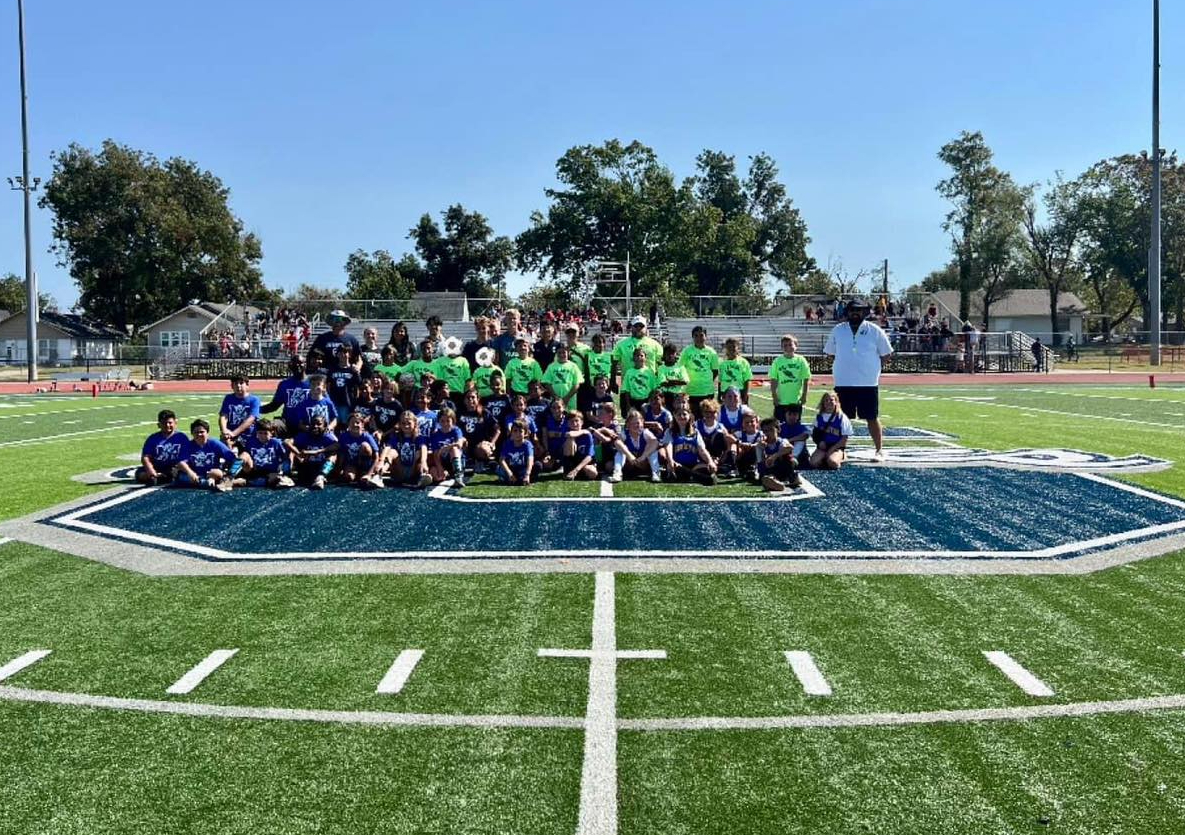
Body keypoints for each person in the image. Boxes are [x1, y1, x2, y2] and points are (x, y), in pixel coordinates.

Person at [823, 299, 893, 462]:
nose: (855, 313)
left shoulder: (874, 330)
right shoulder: (838, 330)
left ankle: (879, 450)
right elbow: (831, 353)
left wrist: (872, 367)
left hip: (868, 382)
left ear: (864, 313)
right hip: (843, 382)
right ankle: (839, 449)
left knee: (872, 417)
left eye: (859, 310)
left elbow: (887, 353)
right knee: (841, 418)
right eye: (852, 310)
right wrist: (846, 363)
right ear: (847, 312)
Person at [175, 418, 238, 491]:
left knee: (215, 477)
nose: (199, 434)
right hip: (196, 476)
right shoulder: (189, 445)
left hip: (213, 474)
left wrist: (224, 473)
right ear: (192, 433)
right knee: (181, 477)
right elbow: (181, 462)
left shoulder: (214, 443)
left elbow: (234, 459)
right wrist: (190, 473)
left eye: (202, 432)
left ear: (207, 433)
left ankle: (228, 481)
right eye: (196, 432)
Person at [662, 406, 716, 485]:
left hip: (694, 465)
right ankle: (698, 477)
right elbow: (668, 447)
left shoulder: (695, 432)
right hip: (677, 465)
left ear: (689, 415)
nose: (682, 417)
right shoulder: (670, 432)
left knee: (707, 468)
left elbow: (702, 450)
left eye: (684, 414)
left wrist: (710, 461)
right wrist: (670, 462)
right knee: (678, 470)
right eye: (679, 414)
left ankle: (691, 475)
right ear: (674, 416)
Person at [285, 413, 338, 490]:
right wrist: (298, 453)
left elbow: (338, 445)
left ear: (325, 426)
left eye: (319, 424)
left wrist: (317, 451)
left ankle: (321, 477)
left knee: (333, 454)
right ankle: (286, 475)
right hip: (307, 465)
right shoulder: (305, 435)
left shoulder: (328, 436)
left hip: (321, 466)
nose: (315, 426)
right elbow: (287, 442)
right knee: (291, 452)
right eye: (313, 424)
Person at [236, 419, 294, 489]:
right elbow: (247, 458)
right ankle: (229, 477)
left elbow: (285, 457)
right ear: (256, 433)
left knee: (275, 478)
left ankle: (247, 482)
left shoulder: (276, 443)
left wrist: (284, 472)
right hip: (255, 470)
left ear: (271, 433)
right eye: (260, 433)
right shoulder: (251, 442)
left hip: (270, 472)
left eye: (265, 433)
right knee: (244, 455)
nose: (263, 436)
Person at [259, 355, 309, 437]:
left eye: (300, 363)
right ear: (290, 365)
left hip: (306, 423)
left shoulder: (313, 383)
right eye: (294, 363)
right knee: (271, 426)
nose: (297, 366)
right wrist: (256, 410)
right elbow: (274, 405)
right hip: (286, 422)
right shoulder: (284, 384)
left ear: (305, 364)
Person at [382, 411, 432, 489]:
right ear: (399, 424)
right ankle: (379, 474)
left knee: (420, 453)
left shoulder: (419, 437)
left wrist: (423, 462)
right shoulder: (396, 436)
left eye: (409, 423)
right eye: (403, 423)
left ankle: (422, 476)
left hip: (414, 469)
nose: (406, 426)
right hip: (399, 470)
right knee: (392, 452)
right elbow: (387, 447)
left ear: (415, 423)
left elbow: (424, 448)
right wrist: (381, 461)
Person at [137, 409, 188, 485]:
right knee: (140, 473)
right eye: (164, 423)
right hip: (157, 467)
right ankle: (155, 476)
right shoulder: (153, 438)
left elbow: (187, 455)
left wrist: (178, 467)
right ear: (159, 425)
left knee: (181, 472)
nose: (167, 425)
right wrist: (151, 470)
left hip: (174, 467)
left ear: (175, 423)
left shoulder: (182, 437)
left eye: (170, 423)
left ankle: (163, 477)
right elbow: (145, 457)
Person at [610, 409, 662, 483]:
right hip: (630, 464)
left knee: (653, 452)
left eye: (638, 423)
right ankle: (617, 473)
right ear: (627, 425)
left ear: (642, 423)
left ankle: (656, 473)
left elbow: (655, 442)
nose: (636, 425)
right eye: (632, 423)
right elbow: (617, 442)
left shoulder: (645, 432)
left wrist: (643, 457)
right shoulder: (625, 433)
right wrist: (630, 456)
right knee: (620, 452)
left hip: (644, 463)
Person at [768, 334, 812, 422]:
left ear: (796, 346)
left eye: (790, 344)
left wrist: (804, 395)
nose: (788, 347)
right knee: (779, 425)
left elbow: (806, 379)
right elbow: (773, 380)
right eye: (785, 345)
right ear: (781, 347)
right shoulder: (777, 361)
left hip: (796, 400)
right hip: (781, 400)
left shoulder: (801, 360)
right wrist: (774, 396)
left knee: (794, 424)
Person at [611, 316, 662, 389]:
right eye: (636, 326)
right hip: (628, 387)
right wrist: (613, 381)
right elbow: (614, 364)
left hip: (650, 386)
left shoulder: (655, 345)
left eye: (641, 326)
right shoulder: (621, 344)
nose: (638, 328)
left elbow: (661, 364)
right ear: (631, 327)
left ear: (646, 328)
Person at [680, 326, 721, 416]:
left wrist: (707, 380)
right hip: (691, 391)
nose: (699, 338)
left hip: (707, 391)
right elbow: (680, 368)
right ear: (693, 337)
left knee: (707, 417)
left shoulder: (711, 352)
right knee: (692, 417)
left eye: (701, 335)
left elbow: (715, 370)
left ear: (706, 336)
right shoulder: (686, 351)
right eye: (696, 336)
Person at [335, 411, 382, 488]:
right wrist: (339, 469)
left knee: (365, 446)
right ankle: (356, 473)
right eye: (352, 423)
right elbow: (342, 453)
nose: (354, 425)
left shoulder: (367, 436)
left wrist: (369, 474)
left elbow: (376, 456)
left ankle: (364, 473)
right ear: (348, 425)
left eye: (357, 422)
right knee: (348, 477)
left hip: (365, 464)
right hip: (351, 463)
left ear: (362, 424)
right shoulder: (343, 436)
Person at [808, 390, 853, 471]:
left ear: (836, 402)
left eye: (831, 400)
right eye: (826, 400)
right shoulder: (819, 417)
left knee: (833, 464)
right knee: (813, 463)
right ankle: (826, 457)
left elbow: (844, 440)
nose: (829, 402)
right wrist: (820, 442)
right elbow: (815, 434)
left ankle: (842, 455)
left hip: (836, 447)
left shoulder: (842, 417)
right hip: (823, 447)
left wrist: (832, 449)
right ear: (823, 403)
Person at [756, 417, 802, 492]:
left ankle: (791, 478)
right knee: (765, 477)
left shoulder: (781, 441)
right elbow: (760, 462)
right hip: (769, 470)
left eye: (771, 430)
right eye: (765, 431)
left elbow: (789, 447)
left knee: (792, 460)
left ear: (778, 430)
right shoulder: (761, 444)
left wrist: (774, 456)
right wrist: (761, 449)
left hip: (781, 468)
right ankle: (777, 483)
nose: (768, 433)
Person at [218, 375, 261, 450]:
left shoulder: (254, 400)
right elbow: (223, 416)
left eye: (241, 383)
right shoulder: (228, 398)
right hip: (229, 434)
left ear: (247, 385)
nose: (238, 386)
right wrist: (224, 430)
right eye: (235, 383)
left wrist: (234, 433)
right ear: (232, 386)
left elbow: (251, 419)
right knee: (223, 445)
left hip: (248, 434)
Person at [427, 407, 467, 487]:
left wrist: (446, 448)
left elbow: (459, 444)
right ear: (439, 422)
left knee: (454, 449)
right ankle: (444, 474)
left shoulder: (456, 430)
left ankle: (458, 477)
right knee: (435, 473)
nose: (445, 424)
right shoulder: (435, 435)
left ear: (453, 421)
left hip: (456, 460)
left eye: (448, 421)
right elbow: (436, 453)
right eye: (442, 421)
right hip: (443, 461)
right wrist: (440, 467)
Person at [541, 343, 584, 410]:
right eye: (559, 353)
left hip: (570, 401)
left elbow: (577, 384)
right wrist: (555, 397)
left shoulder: (573, 366)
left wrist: (567, 398)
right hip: (555, 401)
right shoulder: (551, 366)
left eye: (564, 352)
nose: (561, 355)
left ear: (568, 353)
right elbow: (547, 383)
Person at [560, 410, 598, 481]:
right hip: (571, 461)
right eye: (571, 421)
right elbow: (569, 434)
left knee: (593, 473)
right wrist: (583, 431)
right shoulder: (566, 431)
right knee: (569, 440)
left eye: (577, 421)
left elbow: (589, 456)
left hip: (583, 464)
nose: (574, 423)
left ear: (582, 422)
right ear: (568, 423)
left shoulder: (587, 436)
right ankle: (568, 471)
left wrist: (576, 470)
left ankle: (575, 473)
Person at [498, 418, 537, 486]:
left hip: (523, 469)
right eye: (515, 431)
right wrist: (510, 473)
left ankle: (522, 479)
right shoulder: (507, 444)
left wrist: (527, 474)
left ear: (525, 433)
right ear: (511, 432)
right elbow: (502, 460)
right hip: (511, 468)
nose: (517, 434)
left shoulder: (527, 445)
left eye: (520, 431)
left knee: (537, 465)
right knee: (500, 469)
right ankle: (513, 479)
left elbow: (530, 460)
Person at [621, 346, 658, 414]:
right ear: (633, 358)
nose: (639, 358)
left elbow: (654, 389)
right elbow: (627, 390)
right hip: (633, 401)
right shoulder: (629, 372)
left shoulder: (649, 372)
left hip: (646, 400)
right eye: (637, 355)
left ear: (645, 358)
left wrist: (650, 402)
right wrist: (628, 405)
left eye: (641, 355)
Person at [655, 343, 689, 410]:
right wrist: (678, 381)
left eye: (672, 353)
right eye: (668, 354)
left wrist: (670, 381)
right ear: (664, 355)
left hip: (679, 396)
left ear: (676, 354)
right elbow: (663, 383)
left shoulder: (680, 367)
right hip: (666, 396)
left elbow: (685, 381)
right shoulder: (661, 368)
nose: (670, 356)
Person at [779, 402, 812, 469]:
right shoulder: (780, 427)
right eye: (789, 414)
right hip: (785, 452)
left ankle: (793, 458)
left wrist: (788, 440)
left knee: (800, 441)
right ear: (785, 415)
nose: (792, 417)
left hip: (800, 455)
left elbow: (804, 436)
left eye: (794, 414)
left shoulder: (801, 427)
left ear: (798, 416)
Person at [718, 339, 753, 403]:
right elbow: (720, 381)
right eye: (729, 347)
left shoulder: (743, 362)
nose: (731, 349)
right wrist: (719, 395)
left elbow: (747, 380)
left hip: (739, 392)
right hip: (725, 392)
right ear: (725, 348)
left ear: (737, 348)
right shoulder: (721, 363)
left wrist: (746, 395)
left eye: (733, 347)